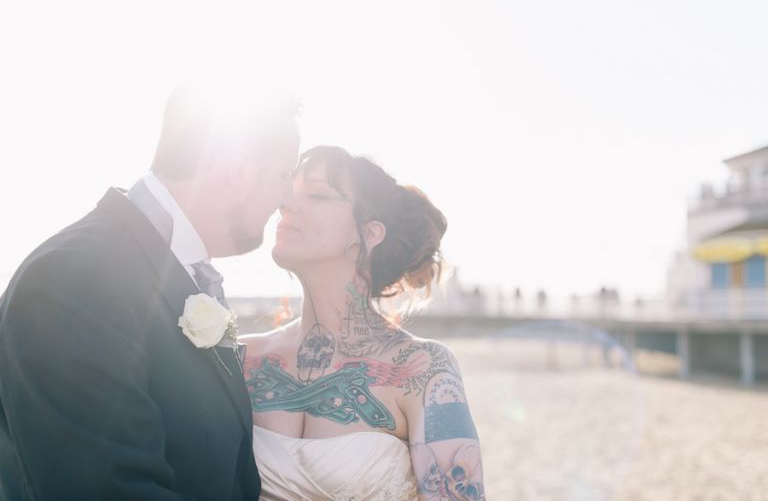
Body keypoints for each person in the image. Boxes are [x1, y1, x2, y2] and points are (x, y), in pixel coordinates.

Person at [0, 80, 300, 500]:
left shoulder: (179, 276)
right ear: (240, 168)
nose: (287, 196)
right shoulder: (74, 277)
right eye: (285, 174)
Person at [242, 146, 486, 500]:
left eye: (316, 194)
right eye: (289, 192)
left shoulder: (422, 370)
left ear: (369, 234)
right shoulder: (242, 358)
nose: (286, 204)